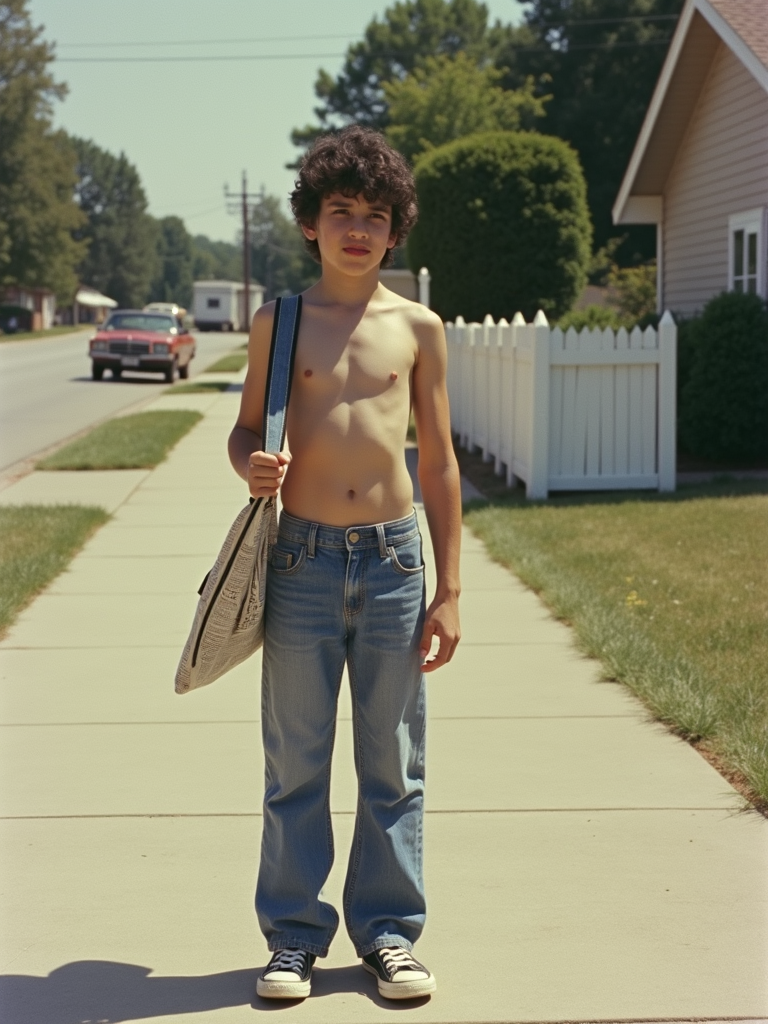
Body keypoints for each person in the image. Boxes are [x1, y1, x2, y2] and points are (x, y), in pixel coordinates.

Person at [228, 126, 461, 1002]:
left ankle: (389, 935)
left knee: (393, 761)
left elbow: (437, 461)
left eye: (375, 215)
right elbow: (247, 428)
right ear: (310, 227)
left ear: (396, 229)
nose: (357, 228)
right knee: (296, 759)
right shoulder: (279, 322)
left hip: (397, 566)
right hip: (304, 562)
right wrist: (249, 463)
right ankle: (293, 937)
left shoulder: (420, 330)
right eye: (341, 213)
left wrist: (452, 590)